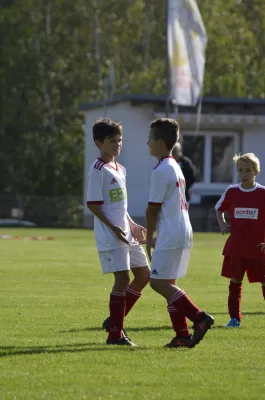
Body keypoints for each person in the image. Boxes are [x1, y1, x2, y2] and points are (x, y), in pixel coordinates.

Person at [145, 118, 214, 348]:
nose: (148, 143)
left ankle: (199, 318)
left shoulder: (161, 169)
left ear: (161, 142)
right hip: (183, 229)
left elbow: (152, 209)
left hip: (171, 232)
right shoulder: (175, 165)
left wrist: (148, 238)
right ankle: (182, 335)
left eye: (151, 138)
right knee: (168, 283)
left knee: (157, 282)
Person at [86, 118, 150, 346]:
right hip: (111, 234)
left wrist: (132, 224)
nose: (118, 144)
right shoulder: (98, 170)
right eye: (112, 141)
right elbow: (93, 204)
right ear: (99, 143)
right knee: (122, 278)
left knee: (144, 275)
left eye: (120, 140)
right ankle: (116, 333)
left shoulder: (120, 168)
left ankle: (115, 319)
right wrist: (113, 227)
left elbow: (120, 207)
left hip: (126, 232)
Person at [215, 153, 265, 328]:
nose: (244, 174)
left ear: (256, 171)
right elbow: (218, 208)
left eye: (248, 170)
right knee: (235, 282)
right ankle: (234, 318)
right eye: (240, 170)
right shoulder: (232, 191)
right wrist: (222, 224)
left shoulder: (262, 193)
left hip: (259, 248)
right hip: (236, 248)